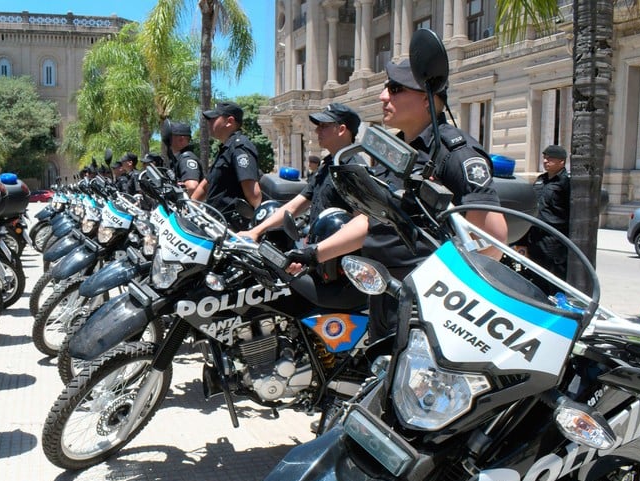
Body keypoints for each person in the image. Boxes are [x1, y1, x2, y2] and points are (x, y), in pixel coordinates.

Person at [285, 59, 508, 342]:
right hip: (385, 290)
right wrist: (314, 254)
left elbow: (492, 241)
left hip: (426, 305)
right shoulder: (395, 153)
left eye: (394, 89)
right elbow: (371, 220)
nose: (382, 96)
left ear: (428, 99)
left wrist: (439, 290)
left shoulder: (456, 154)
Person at [241, 102, 362, 277]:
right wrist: (256, 231)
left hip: (340, 266)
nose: (317, 131)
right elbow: (295, 205)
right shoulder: (327, 165)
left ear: (342, 129)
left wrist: (313, 255)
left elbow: (362, 224)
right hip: (317, 256)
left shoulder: (353, 169)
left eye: (324, 126)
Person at [192, 101, 262, 229]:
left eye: (214, 119)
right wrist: (190, 207)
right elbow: (206, 185)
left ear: (229, 121)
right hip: (215, 224)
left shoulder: (240, 147)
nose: (209, 122)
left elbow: (254, 195)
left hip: (232, 228)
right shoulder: (226, 148)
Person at [527, 144, 571, 288]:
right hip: (535, 236)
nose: (545, 161)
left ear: (562, 162)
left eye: (550, 159)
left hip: (554, 239)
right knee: (535, 275)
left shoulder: (566, 182)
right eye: (545, 158)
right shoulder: (541, 179)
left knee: (553, 279)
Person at [169, 121, 202, 197]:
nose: (168, 140)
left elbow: (192, 187)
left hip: (190, 207)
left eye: (171, 137)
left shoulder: (186, 158)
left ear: (181, 139)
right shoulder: (178, 159)